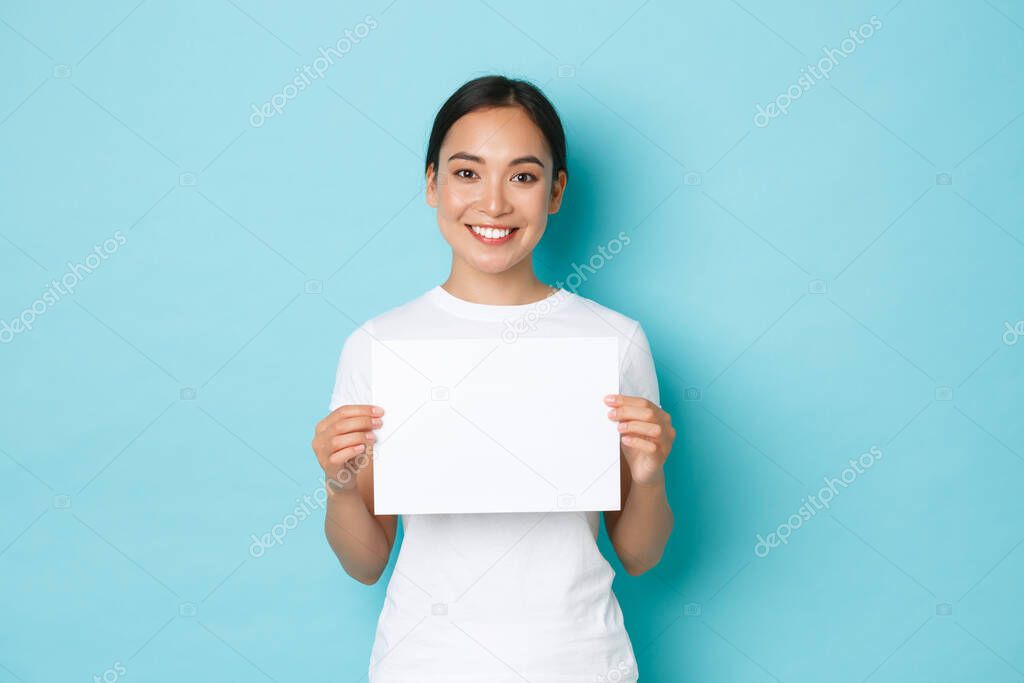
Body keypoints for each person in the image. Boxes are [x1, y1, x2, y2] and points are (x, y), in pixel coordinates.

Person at [311, 74, 676, 682]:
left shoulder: (614, 340)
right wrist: (339, 485)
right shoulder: (379, 345)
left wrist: (650, 476)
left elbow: (639, 554)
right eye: (466, 172)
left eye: (524, 176)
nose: (495, 203)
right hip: (425, 664)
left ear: (556, 191)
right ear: (432, 183)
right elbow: (365, 562)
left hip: (580, 662)